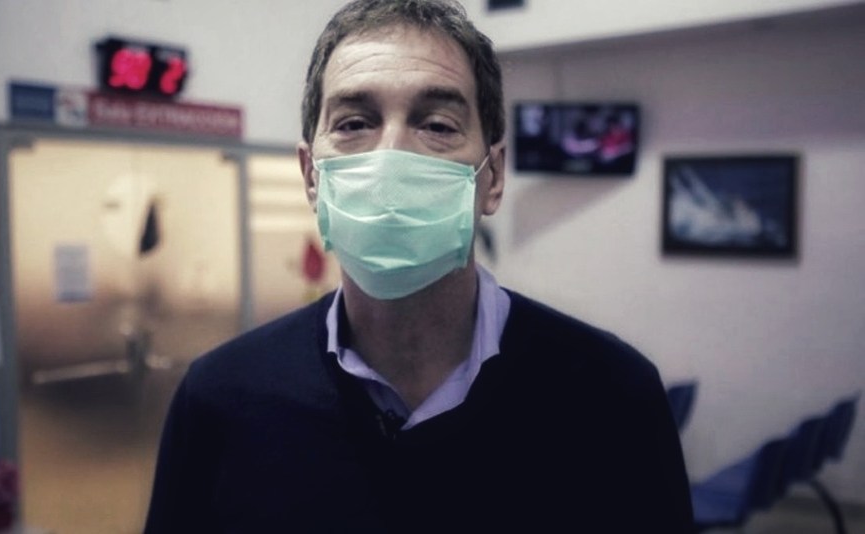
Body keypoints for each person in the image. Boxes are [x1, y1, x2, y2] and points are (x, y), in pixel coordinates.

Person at [145, 1, 694, 532]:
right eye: (354, 122)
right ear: (312, 177)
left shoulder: (612, 396)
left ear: (493, 177)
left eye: (437, 124)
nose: (392, 157)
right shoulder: (220, 398)